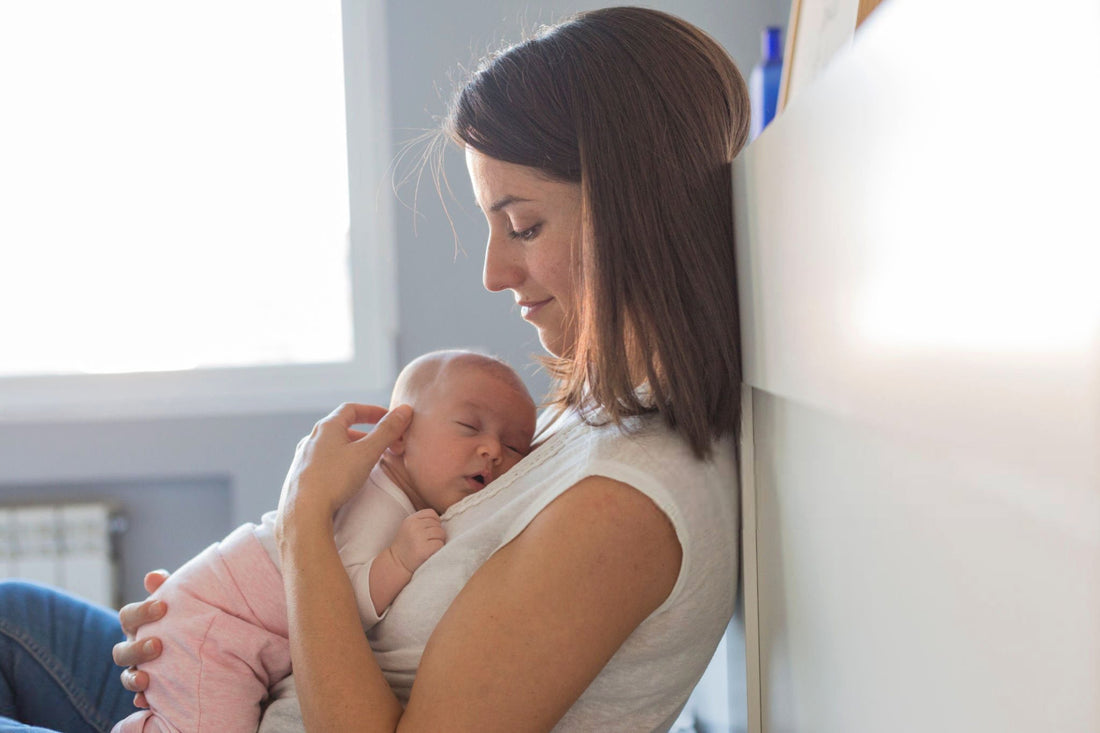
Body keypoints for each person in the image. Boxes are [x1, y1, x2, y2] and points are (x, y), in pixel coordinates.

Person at [1, 6, 748, 732]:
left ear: (633, 210)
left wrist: (302, 532)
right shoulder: (580, 413)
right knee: (12, 613)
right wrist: (208, 617)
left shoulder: (624, 510)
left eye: (524, 224)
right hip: (253, 681)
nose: (493, 272)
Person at [106, 349, 533, 733]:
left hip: (216, 623)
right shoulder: (380, 500)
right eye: (469, 426)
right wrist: (399, 560)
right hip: (218, 627)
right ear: (398, 434)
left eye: (514, 445)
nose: (493, 449)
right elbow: (334, 605)